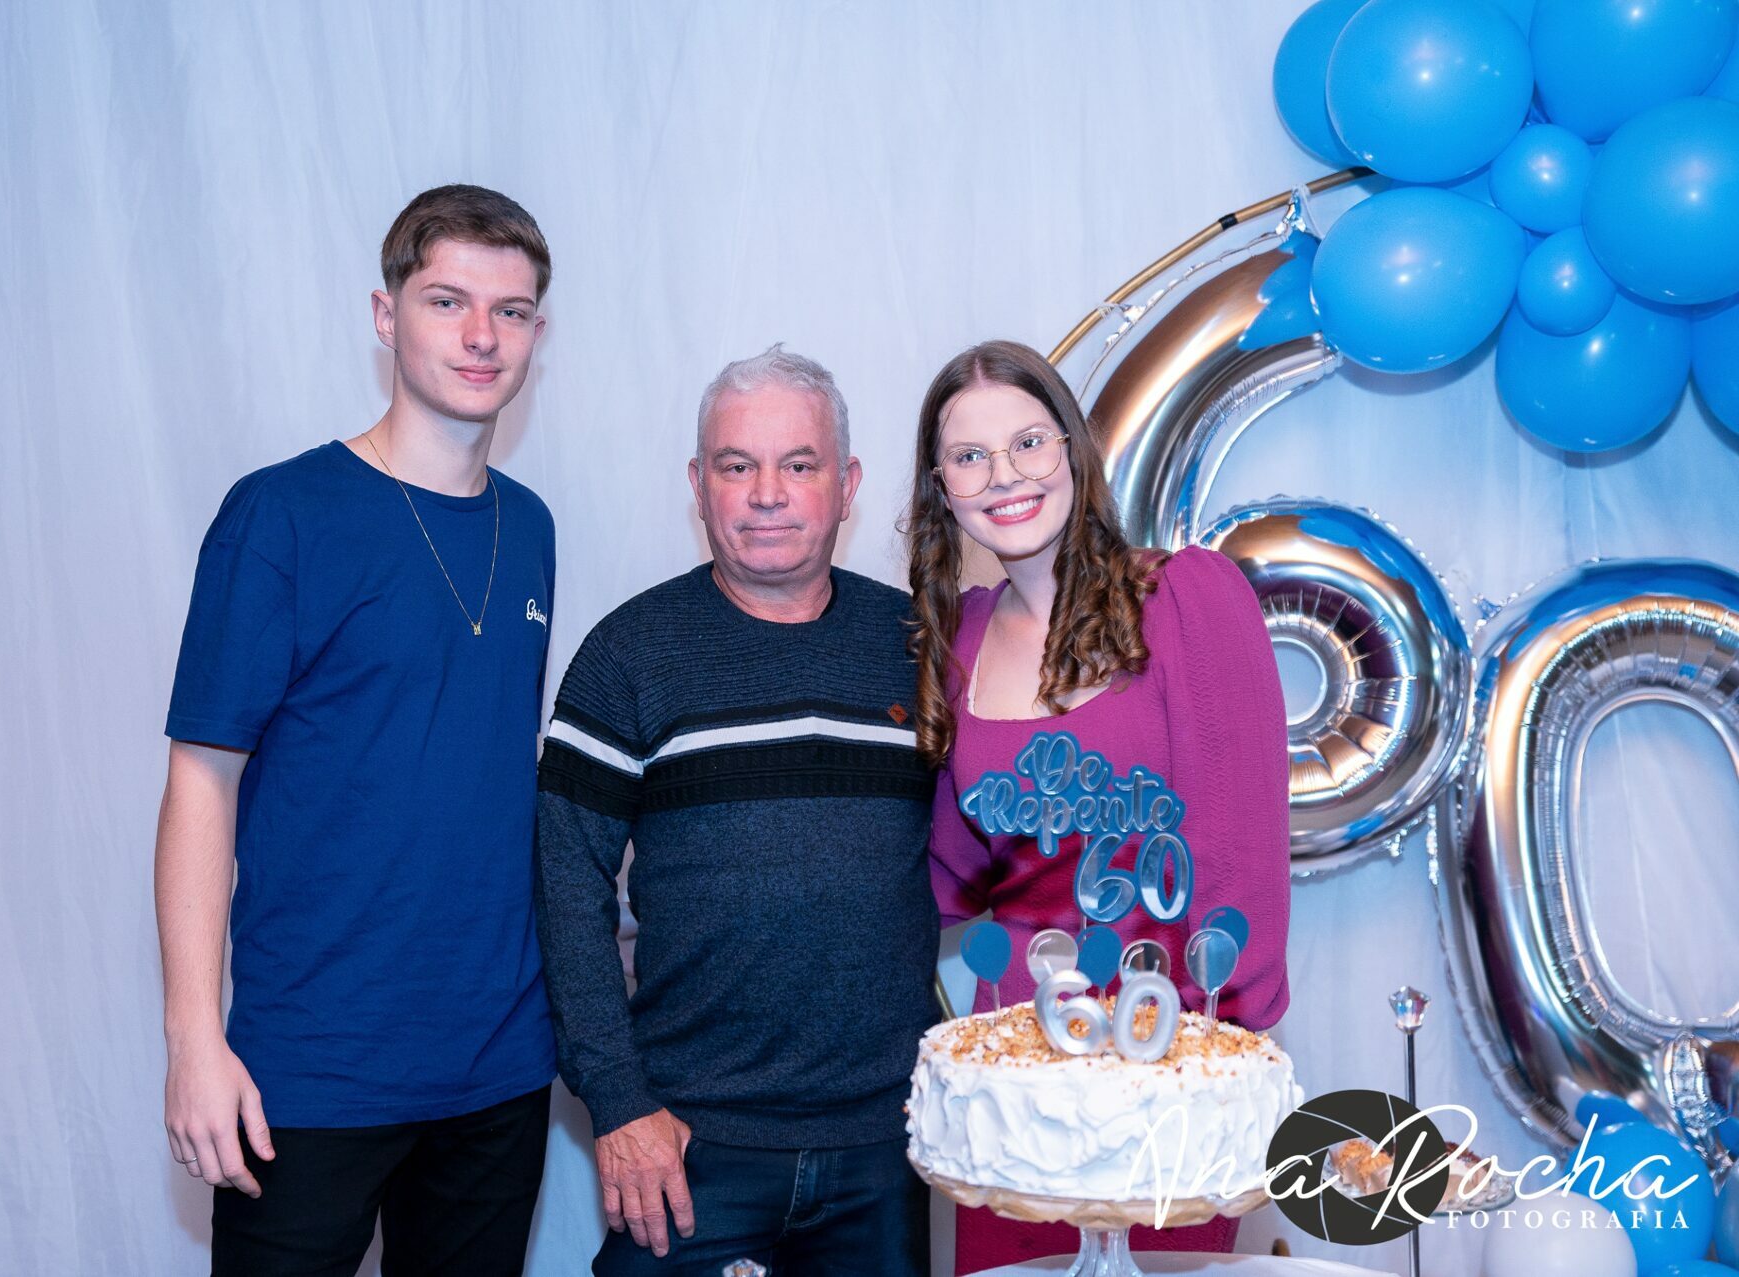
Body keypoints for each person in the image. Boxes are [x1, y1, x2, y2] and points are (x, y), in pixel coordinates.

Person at [155, 184, 557, 1276]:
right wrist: (194, 1038)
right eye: (447, 301)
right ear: (387, 315)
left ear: (537, 332)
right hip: (311, 1066)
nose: (481, 336)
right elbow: (200, 782)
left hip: (497, 1065)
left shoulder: (529, 526)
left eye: (511, 311)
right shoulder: (280, 514)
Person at [535, 345, 937, 1275]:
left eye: (798, 464)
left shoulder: (916, 646)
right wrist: (619, 1101)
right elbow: (563, 889)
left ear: (847, 485)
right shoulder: (629, 654)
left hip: (886, 1145)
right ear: (698, 484)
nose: (766, 494)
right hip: (685, 1145)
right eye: (736, 465)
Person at [905, 340, 1291, 1273]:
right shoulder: (956, 640)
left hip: (1167, 1073)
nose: (1005, 475)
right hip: (1018, 1098)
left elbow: (1240, 856)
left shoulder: (1187, 599)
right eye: (970, 456)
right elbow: (947, 873)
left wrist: (1216, 1064)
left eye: (1028, 442)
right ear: (942, 490)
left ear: (1073, 450)